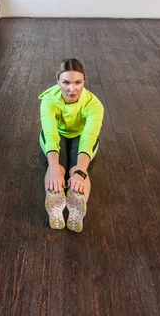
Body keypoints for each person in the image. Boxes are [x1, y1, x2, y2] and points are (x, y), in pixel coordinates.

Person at [39, 58, 104, 232]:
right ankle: (55, 197)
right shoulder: (48, 100)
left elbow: (88, 138)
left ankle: (77, 206)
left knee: (75, 170)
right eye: (66, 82)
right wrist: (53, 168)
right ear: (57, 81)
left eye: (78, 82)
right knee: (58, 168)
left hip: (81, 136)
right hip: (57, 133)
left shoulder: (95, 105)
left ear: (84, 81)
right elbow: (51, 134)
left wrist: (80, 173)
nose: (72, 89)